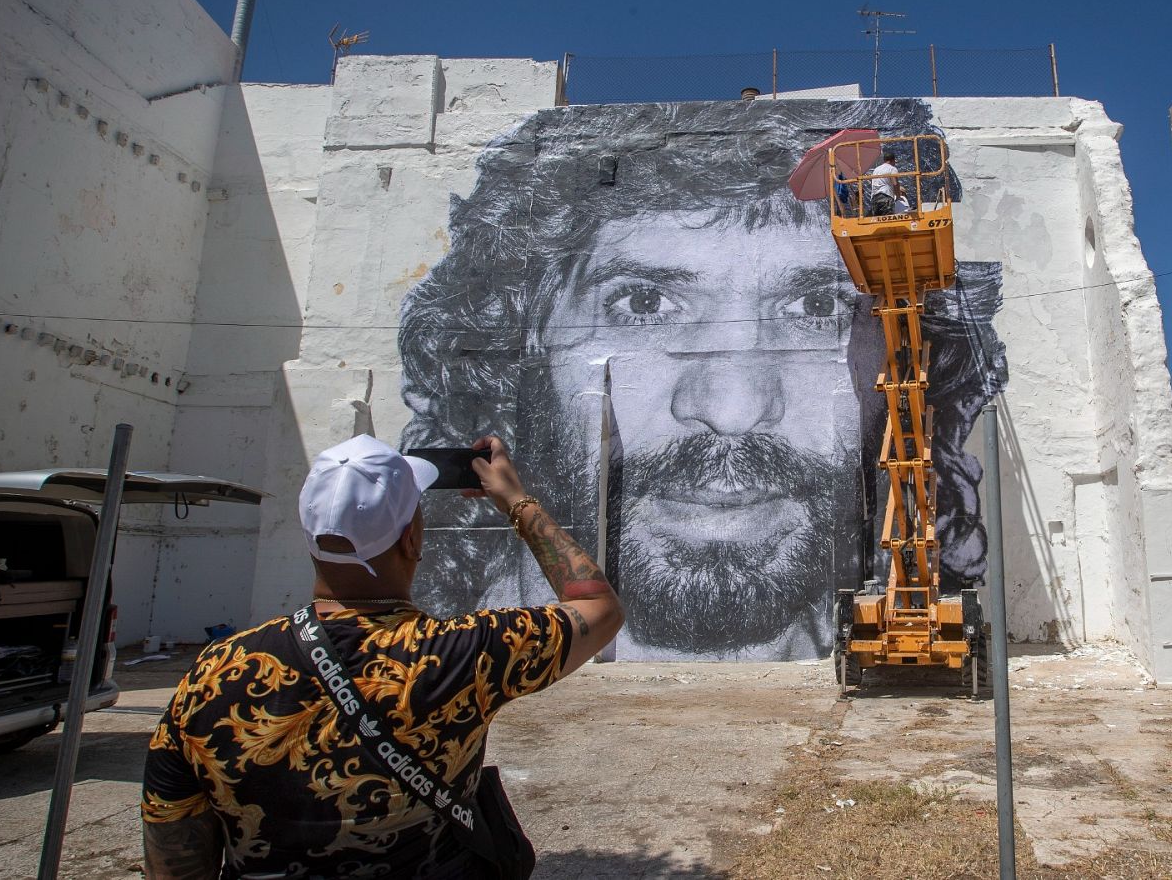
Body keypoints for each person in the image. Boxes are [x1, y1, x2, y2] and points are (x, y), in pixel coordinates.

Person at [398, 99, 1007, 661]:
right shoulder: (445, 666)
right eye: (644, 304)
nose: (733, 407)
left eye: (817, 306)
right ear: (524, 341)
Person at [140, 435, 623, 878]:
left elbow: (174, 852)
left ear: (309, 538)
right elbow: (597, 606)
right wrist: (515, 499)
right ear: (412, 540)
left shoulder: (214, 672)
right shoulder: (463, 652)